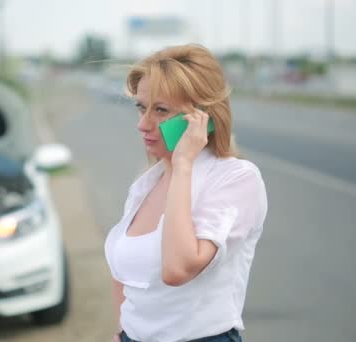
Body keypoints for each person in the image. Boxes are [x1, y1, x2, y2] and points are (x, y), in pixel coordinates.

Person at [104, 44, 268, 342]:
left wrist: (182, 163)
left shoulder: (235, 179)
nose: (143, 124)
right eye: (141, 107)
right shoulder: (146, 184)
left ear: (202, 118)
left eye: (161, 110)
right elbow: (125, 272)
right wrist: (122, 331)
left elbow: (177, 269)